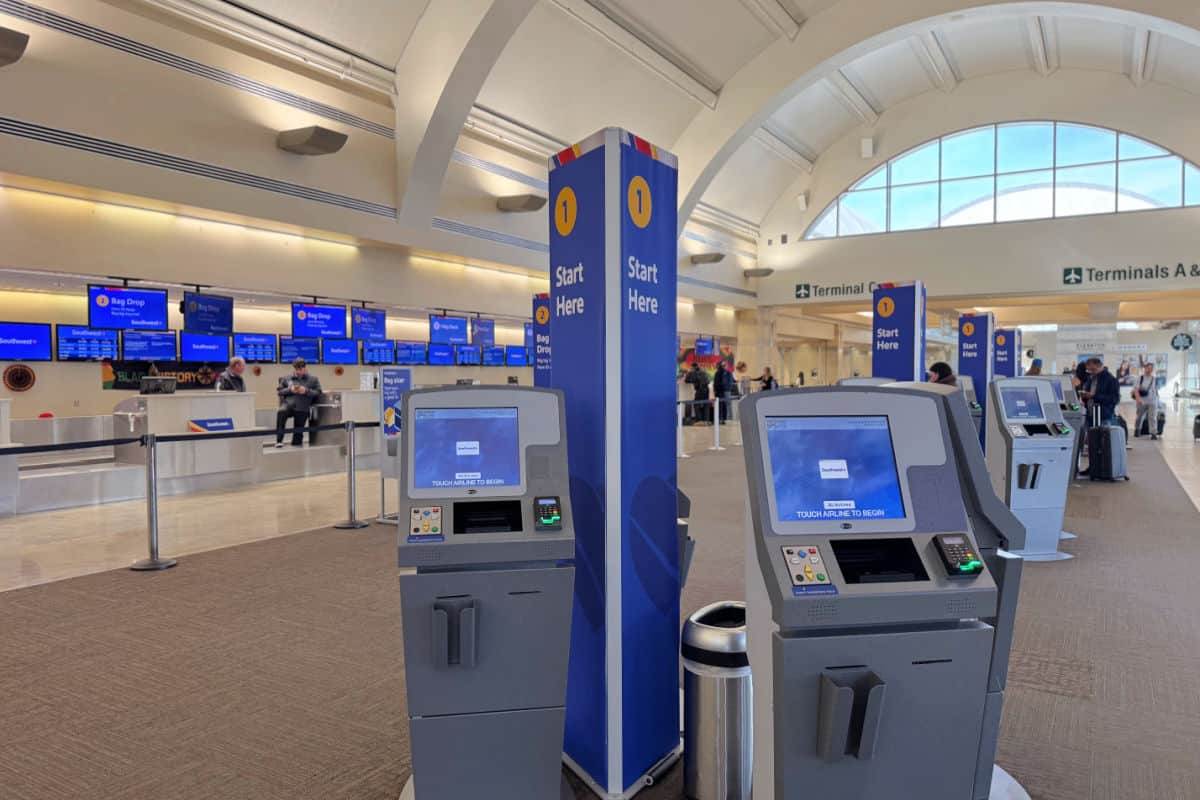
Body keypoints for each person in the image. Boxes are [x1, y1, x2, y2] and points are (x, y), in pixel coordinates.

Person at [275, 358, 322, 447]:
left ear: (305, 368)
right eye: (296, 369)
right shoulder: (286, 378)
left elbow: (318, 392)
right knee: (281, 412)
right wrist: (290, 389)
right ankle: (279, 440)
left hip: (303, 407)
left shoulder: (313, 379)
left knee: (298, 435)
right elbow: (280, 391)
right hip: (288, 404)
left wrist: (306, 391)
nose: (298, 372)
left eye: (300, 369)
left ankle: (296, 445)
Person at [1079, 357, 1120, 425]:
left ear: (1101, 366)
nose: (1091, 372)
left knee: (1103, 434)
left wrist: (1094, 396)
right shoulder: (1091, 378)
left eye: (1093, 369)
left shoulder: (1111, 380)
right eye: (1088, 370)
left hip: (1103, 417)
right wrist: (1084, 396)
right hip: (1090, 415)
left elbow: (1115, 399)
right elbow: (1088, 394)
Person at [1132, 362, 1160, 441]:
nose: (1150, 370)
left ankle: (1153, 433)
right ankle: (1137, 429)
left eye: (1152, 368)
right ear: (1145, 368)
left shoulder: (1154, 379)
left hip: (1152, 401)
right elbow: (1136, 390)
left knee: (1152, 417)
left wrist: (1158, 402)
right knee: (1139, 417)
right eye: (1149, 368)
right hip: (1142, 401)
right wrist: (1138, 400)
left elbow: (1155, 390)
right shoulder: (1139, 378)